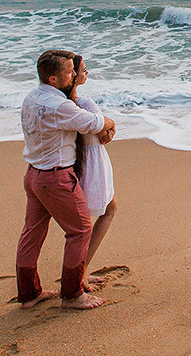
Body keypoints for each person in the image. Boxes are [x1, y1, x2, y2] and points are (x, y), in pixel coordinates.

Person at [15, 49, 116, 310]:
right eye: (69, 72)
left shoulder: (31, 98)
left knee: (32, 233)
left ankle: (29, 294)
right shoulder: (59, 106)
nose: (74, 74)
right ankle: (72, 294)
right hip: (55, 177)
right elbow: (95, 124)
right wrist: (110, 121)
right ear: (53, 79)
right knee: (80, 230)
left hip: (33, 175)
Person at [70, 54, 117, 292]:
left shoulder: (64, 105)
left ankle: (80, 271)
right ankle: (80, 273)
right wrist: (110, 127)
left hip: (76, 162)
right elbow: (103, 133)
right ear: (73, 76)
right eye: (84, 70)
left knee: (88, 218)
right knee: (101, 213)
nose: (87, 73)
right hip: (93, 162)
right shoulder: (85, 104)